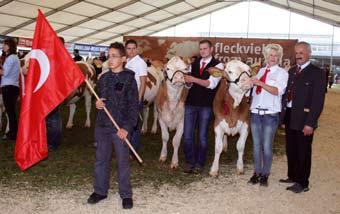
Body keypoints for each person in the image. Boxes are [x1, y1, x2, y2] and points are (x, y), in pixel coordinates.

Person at [87, 42, 139, 209]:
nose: (110, 59)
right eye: (109, 56)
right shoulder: (104, 78)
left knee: (123, 162)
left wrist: (127, 128)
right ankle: (100, 191)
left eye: (115, 56)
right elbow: (101, 99)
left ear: (123, 58)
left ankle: (126, 194)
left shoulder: (130, 79)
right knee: (101, 160)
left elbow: (133, 107)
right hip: (103, 126)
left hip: (120, 128)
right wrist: (98, 104)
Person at [280, 41, 326, 193]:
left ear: (309, 54)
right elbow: (287, 96)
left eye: (301, 53)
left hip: (305, 118)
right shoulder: (292, 71)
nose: (298, 56)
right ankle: (293, 176)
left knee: (303, 151)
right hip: (290, 115)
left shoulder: (317, 73)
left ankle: (303, 182)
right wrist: (283, 118)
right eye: (297, 53)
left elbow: (318, 101)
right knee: (291, 148)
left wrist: (310, 123)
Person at [248, 44, 288, 186]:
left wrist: (259, 82)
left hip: (270, 115)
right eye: (270, 55)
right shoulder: (259, 71)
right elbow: (253, 92)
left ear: (279, 57)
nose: (273, 58)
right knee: (256, 146)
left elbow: (277, 91)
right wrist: (248, 85)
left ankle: (265, 174)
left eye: (276, 55)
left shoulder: (282, 73)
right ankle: (256, 172)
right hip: (255, 113)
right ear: (266, 56)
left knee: (266, 146)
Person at [183, 39, 224, 173]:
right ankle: (190, 162)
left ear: (211, 49)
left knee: (202, 136)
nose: (202, 51)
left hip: (206, 105)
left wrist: (193, 80)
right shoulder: (194, 63)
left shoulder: (218, 66)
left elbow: (210, 84)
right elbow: (189, 84)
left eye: (205, 49)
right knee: (188, 135)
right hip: (190, 103)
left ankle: (200, 164)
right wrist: (187, 82)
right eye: (201, 49)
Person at [124, 39, 147, 152]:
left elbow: (143, 82)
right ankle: (126, 148)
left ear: (137, 49)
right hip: (125, 98)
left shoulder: (140, 62)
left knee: (135, 124)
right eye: (129, 48)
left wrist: (138, 99)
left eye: (134, 48)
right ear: (126, 50)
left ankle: (133, 150)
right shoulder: (127, 61)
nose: (131, 51)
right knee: (126, 122)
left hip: (135, 97)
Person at [46, 37, 64, 151]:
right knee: (50, 117)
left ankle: (53, 142)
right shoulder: (51, 56)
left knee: (54, 117)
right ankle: (50, 140)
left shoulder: (61, 58)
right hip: (49, 90)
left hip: (55, 91)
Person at [0, 38, 20, 141]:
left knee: (10, 112)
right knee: (11, 112)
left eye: (5, 45)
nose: (3, 46)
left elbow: (4, 73)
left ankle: (12, 134)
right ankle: (13, 133)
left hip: (8, 87)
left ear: (10, 46)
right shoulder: (14, 58)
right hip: (12, 87)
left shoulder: (11, 58)